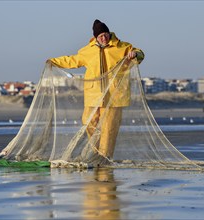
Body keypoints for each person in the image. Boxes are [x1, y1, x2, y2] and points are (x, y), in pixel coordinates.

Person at [49, 19, 144, 160]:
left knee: (109, 128)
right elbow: (72, 60)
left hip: (114, 95)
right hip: (93, 94)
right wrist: (53, 61)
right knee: (88, 121)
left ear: (109, 33)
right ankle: (95, 151)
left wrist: (135, 54)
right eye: (101, 36)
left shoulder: (122, 47)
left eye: (105, 34)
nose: (104, 38)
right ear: (95, 37)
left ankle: (104, 157)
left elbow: (139, 53)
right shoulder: (87, 50)